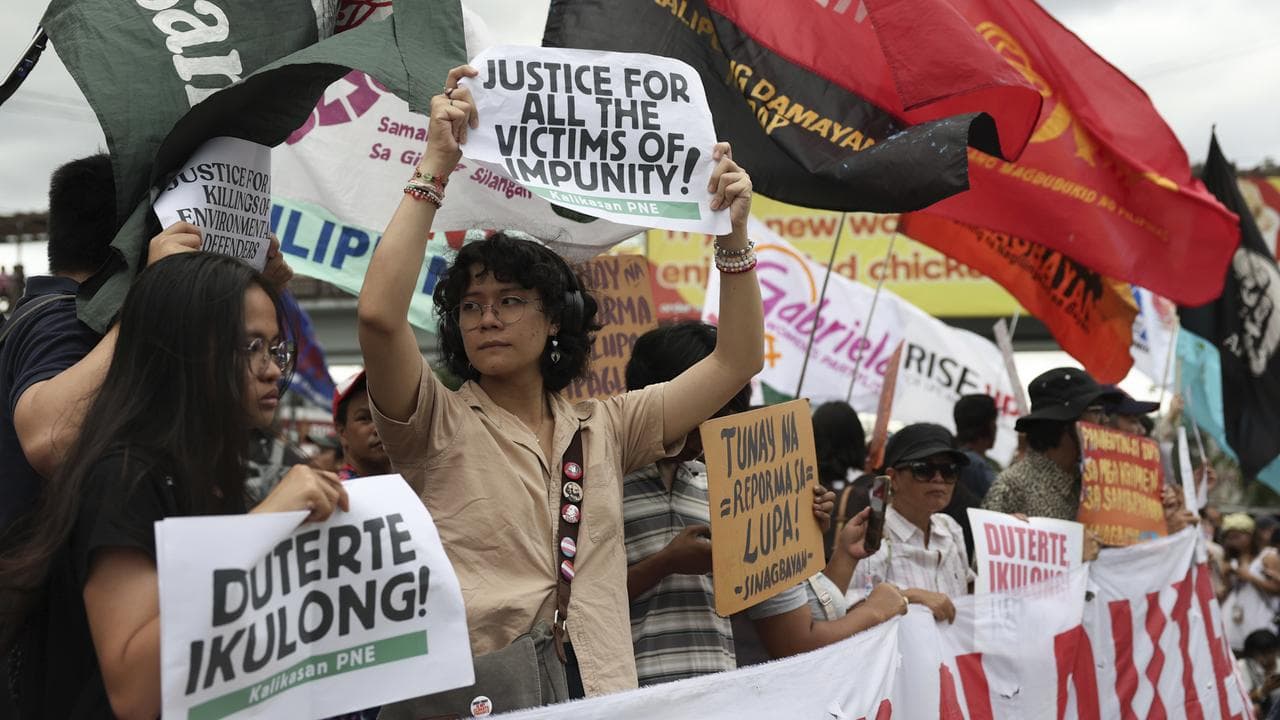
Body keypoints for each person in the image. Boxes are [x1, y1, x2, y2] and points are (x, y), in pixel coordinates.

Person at [356, 66, 764, 698]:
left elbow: (736, 361)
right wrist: (435, 164)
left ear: (555, 321)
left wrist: (732, 234)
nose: (487, 316)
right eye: (470, 305)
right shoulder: (434, 420)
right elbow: (380, 318)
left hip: (601, 695)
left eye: (511, 300)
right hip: (483, 697)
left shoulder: (607, 427)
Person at [0, 252, 346, 719]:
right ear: (183, 350)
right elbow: (136, 690)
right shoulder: (124, 476)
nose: (271, 371)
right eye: (250, 348)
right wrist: (265, 526)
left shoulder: (229, 471)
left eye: (277, 350)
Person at [0, 157, 292, 534]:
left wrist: (255, 295)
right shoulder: (62, 320)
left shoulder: (95, 322)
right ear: (138, 240)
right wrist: (151, 292)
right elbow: (51, 441)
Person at [620, 321, 885, 683]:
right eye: (707, 409)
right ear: (661, 397)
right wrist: (665, 564)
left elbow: (793, 613)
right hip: (628, 698)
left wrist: (794, 531)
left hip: (717, 691)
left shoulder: (719, 486)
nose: (716, 428)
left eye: (728, 412)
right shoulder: (599, 478)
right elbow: (575, 605)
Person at [848, 423, 974, 623]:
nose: (938, 478)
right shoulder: (871, 537)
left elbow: (971, 591)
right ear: (893, 478)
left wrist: (1007, 534)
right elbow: (850, 611)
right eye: (923, 470)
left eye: (949, 470)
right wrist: (910, 597)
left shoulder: (950, 529)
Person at [983, 368, 1123, 521]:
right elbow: (984, 542)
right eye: (1096, 412)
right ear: (1064, 422)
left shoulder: (1094, 484)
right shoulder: (1012, 487)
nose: (1105, 421)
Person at [1220, 513, 1280, 653]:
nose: (1232, 541)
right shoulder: (1232, 560)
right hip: (1233, 625)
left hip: (1260, 623)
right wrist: (1226, 576)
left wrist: (1250, 577)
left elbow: (1277, 589)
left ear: (1250, 536)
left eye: (1237, 536)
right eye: (1229, 538)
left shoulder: (1268, 555)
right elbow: (1228, 591)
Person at [332, 370, 391, 479]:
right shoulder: (335, 494)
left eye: (387, 417)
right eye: (364, 418)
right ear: (341, 431)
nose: (379, 429)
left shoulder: (414, 489)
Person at [951, 394, 1001, 499]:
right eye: (995, 422)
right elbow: (1005, 497)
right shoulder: (973, 463)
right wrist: (1022, 452)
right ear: (990, 426)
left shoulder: (955, 455)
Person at [1238, 629, 1280, 716]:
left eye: (1270, 652)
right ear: (1252, 653)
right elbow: (1240, 698)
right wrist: (1263, 690)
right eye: (1262, 654)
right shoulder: (1244, 666)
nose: (1267, 658)